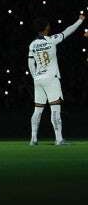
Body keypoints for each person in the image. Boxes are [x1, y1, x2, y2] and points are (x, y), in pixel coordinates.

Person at [28, 14, 85, 145]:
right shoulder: (51, 39)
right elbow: (68, 31)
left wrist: (35, 77)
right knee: (55, 109)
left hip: (38, 79)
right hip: (51, 78)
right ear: (46, 27)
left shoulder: (32, 45)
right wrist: (80, 21)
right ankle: (59, 139)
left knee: (38, 110)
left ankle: (33, 139)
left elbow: (30, 64)